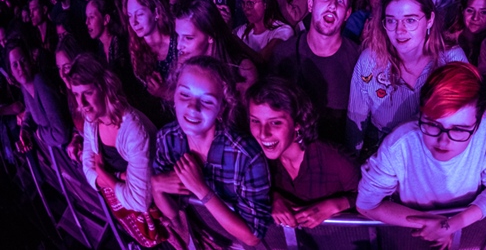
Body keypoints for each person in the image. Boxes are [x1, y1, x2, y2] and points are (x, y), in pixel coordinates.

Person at [356, 62, 486, 249]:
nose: (443, 141)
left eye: (459, 129)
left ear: (478, 123)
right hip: (409, 236)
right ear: (420, 113)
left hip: (469, 232)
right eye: (432, 125)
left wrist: (451, 225)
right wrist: (433, 224)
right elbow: (366, 205)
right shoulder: (399, 145)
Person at [152, 56, 271, 248]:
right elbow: (172, 215)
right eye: (184, 95)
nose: (192, 107)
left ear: (222, 107)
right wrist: (155, 184)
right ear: (173, 95)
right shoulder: (167, 139)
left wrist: (202, 190)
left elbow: (252, 237)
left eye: (206, 101)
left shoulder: (246, 156)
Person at [346, 0, 467, 157]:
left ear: (430, 20)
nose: (400, 31)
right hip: (385, 150)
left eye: (410, 20)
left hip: (439, 152)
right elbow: (356, 121)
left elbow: (469, 118)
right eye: (391, 21)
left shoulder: (452, 60)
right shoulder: (370, 62)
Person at [70, 53, 167, 247]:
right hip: (132, 218)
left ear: (104, 87)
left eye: (87, 93)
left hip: (160, 219)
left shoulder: (133, 129)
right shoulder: (92, 119)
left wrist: (103, 172)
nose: (82, 104)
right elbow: (88, 169)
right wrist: (119, 177)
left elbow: (140, 200)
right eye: (76, 94)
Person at [247, 78, 359, 229]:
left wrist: (336, 204)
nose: (263, 134)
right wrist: (272, 198)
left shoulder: (334, 159)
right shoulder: (254, 158)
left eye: (275, 123)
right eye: (255, 121)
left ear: (298, 123)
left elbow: (375, 198)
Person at [271, 0, 360, 144]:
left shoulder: (358, 60)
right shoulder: (283, 55)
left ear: (347, 14)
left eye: (340, 1)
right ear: (310, 5)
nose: (332, 5)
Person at [174, 0, 258, 96]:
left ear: (210, 36)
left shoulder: (243, 70)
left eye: (188, 38)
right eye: (177, 36)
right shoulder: (183, 63)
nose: (178, 46)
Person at [6, 40, 72, 152]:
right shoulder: (24, 87)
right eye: (15, 65)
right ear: (11, 72)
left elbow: (62, 134)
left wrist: (39, 134)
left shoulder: (40, 84)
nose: (20, 68)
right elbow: (30, 109)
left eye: (23, 61)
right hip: (60, 149)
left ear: (30, 60)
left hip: (72, 146)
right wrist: (25, 128)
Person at [125, 0, 177, 105]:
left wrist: (165, 92)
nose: (134, 22)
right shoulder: (135, 49)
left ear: (156, 13)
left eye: (139, 14)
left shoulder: (178, 42)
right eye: (130, 16)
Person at [235, 0, 294, 65]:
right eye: (243, 3)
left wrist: (235, 40)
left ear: (265, 4)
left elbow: (262, 60)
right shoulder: (242, 31)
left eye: (250, 3)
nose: (245, 8)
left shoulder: (283, 31)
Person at [443, 0, 486, 64]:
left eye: (483, 12)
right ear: (462, 11)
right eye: (470, 10)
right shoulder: (448, 41)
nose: (475, 18)